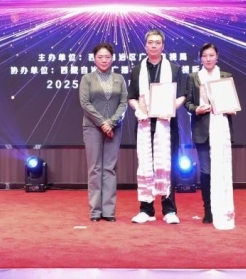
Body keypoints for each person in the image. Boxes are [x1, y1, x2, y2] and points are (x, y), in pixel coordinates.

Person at [127, 29, 185, 224]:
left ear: (163, 46)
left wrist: (170, 109)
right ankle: (146, 210)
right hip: (145, 125)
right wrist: (137, 109)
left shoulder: (174, 69)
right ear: (145, 46)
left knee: (168, 166)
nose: (153, 45)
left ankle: (170, 210)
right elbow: (132, 97)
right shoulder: (137, 70)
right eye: (150, 42)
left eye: (157, 42)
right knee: (145, 166)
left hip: (167, 125)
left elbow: (181, 96)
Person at [184, 42, 236, 230]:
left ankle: (222, 207)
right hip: (202, 129)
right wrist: (196, 109)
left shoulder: (226, 77)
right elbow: (187, 103)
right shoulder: (193, 77)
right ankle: (208, 210)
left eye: (211, 55)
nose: (208, 59)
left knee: (221, 169)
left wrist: (230, 108)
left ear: (217, 57)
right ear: (200, 58)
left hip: (221, 129)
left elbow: (232, 102)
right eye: (204, 55)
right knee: (206, 170)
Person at [79, 42, 128, 222]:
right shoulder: (87, 79)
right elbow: (85, 103)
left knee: (109, 168)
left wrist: (112, 122)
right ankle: (95, 211)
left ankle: (109, 211)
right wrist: (102, 123)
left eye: (107, 57)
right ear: (94, 59)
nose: (104, 60)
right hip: (92, 128)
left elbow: (123, 103)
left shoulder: (119, 78)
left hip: (114, 128)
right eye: (100, 57)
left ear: (112, 59)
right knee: (95, 169)